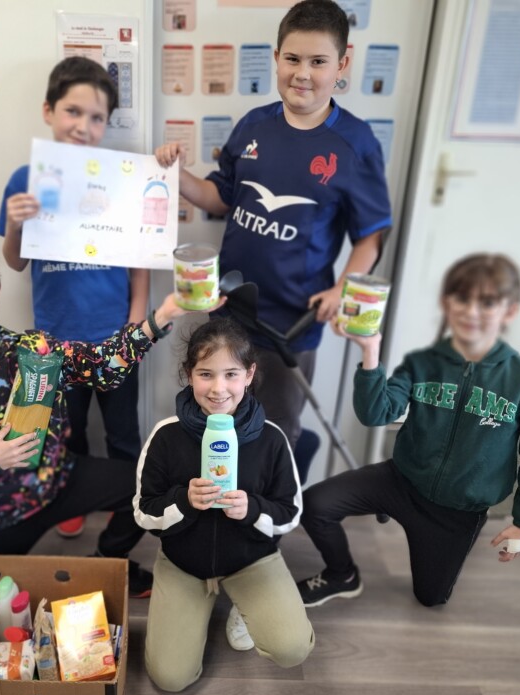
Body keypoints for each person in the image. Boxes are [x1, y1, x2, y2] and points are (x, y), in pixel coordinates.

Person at [154, 0, 392, 454]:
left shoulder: (356, 143)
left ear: (342, 64)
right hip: (229, 311)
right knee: (220, 420)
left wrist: (342, 289)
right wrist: (177, 175)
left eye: (318, 62)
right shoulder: (253, 125)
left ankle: (272, 498)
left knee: (276, 432)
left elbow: (370, 237)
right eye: (293, 59)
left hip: (293, 324)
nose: (303, 73)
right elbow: (219, 196)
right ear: (277, 57)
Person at [0, 237, 188, 597]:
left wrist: (162, 316)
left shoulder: (35, 348)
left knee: (149, 484)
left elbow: (104, 367)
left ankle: (107, 560)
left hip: (59, 480)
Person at [296, 253, 520, 608]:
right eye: (462, 299)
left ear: (509, 311)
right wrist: (370, 350)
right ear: (447, 303)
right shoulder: (422, 363)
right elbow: (375, 414)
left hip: (456, 511)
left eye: (487, 302)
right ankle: (342, 575)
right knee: (314, 504)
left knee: (430, 598)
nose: (471, 311)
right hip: (400, 481)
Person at [0, 56, 149, 538]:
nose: (84, 126)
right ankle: (73, 498)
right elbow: (15, 263)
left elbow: (139, 257)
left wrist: (136, 323)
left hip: (115, 337)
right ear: (49, 111)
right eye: (72, 111)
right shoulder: (24, 180)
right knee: (67, 430)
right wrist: (15, 224)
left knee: (123, 431)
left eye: (96, 117)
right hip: (55, 341)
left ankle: (129, 505)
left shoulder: (120, 179)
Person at [134, 318, 314, 692]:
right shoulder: (166, 436)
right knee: (170, 678)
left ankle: (244, 607)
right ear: (189, 375)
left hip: (252, 560)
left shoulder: (271, 438)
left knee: (292, 648)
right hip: (183, 564)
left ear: (249, 375)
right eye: (206, 374)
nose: (219, 388)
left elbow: (290, 513)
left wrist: (253, 509)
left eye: (231, 374)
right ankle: (197, 607)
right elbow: (143, 511)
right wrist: (183, 500)